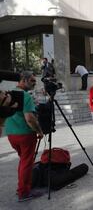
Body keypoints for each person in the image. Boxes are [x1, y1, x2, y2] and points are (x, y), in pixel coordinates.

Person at [4, 71, 44, 202]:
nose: (34, 83)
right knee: (27, 163)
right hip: (25, 134)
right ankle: (24, 192)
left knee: (23, 162)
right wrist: (39, 131)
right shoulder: (25, 96)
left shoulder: (10, 93)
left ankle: (22, 187)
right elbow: (30, 119)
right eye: (32, 80)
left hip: (11, 133)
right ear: (24, 80)